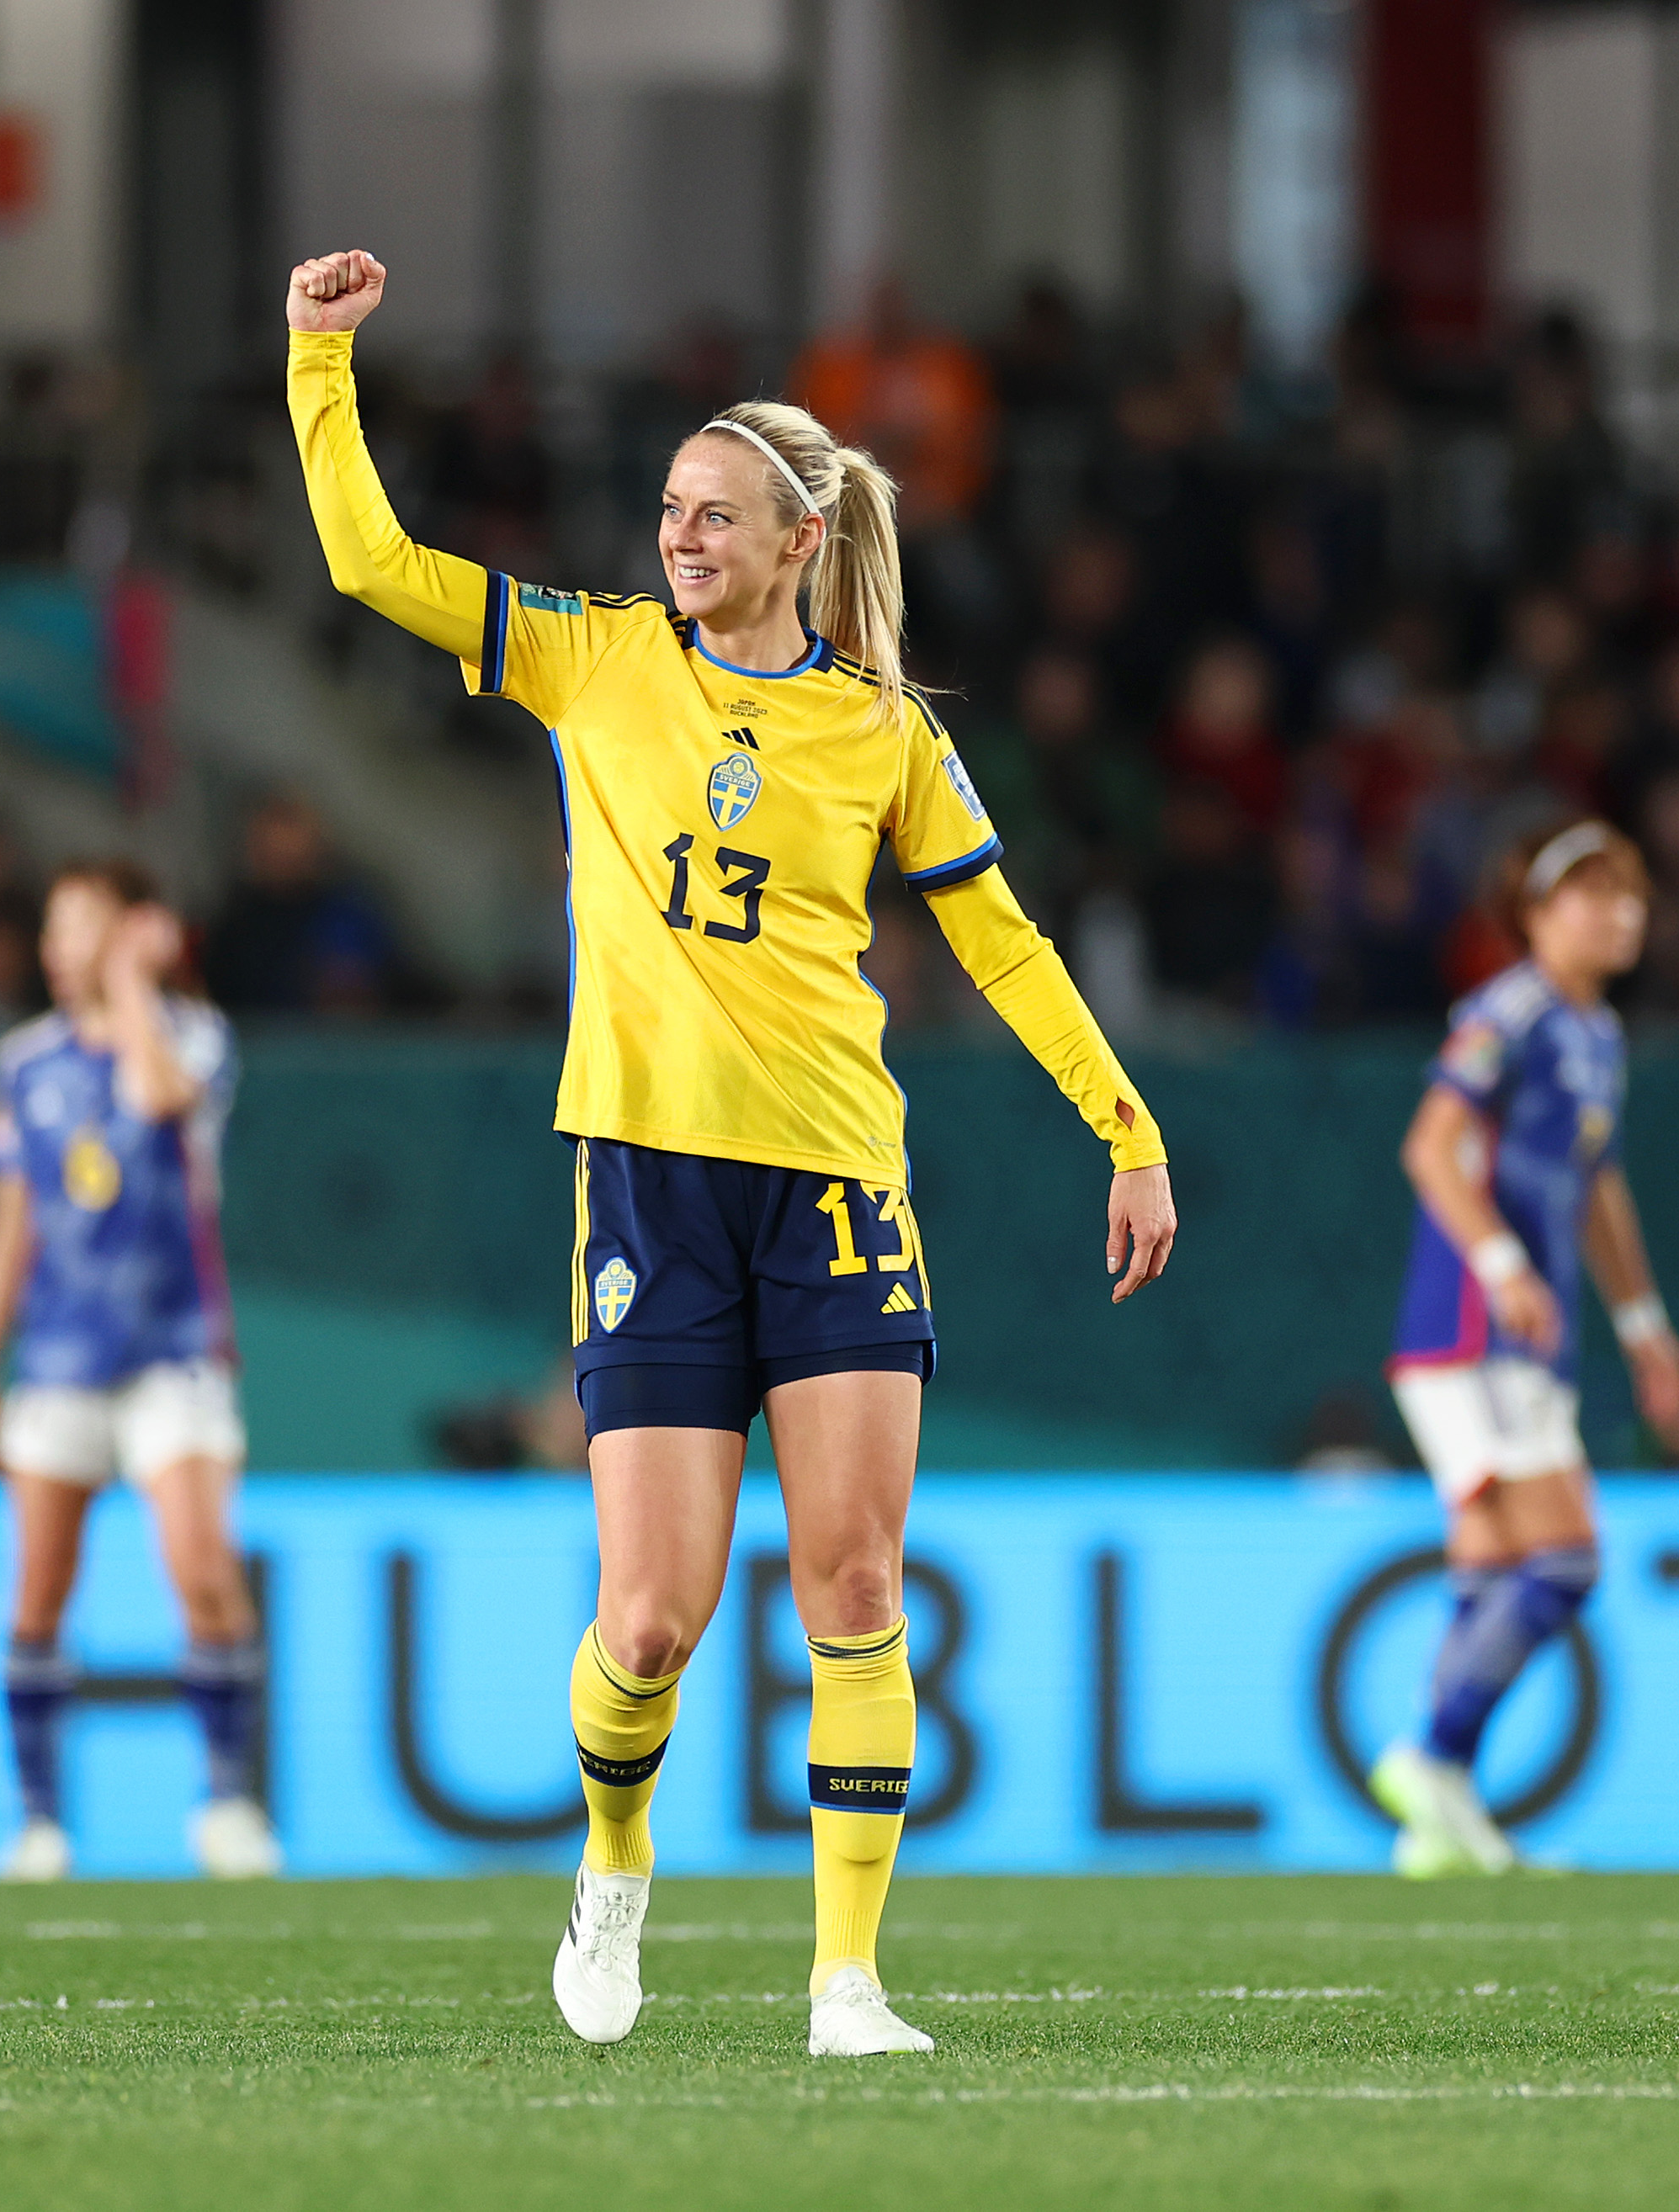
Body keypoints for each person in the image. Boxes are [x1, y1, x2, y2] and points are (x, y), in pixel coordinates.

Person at [284, 250, 1176, 2056]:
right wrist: (319, 364)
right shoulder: (590, 658)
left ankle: (844, 1980)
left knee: (849, 1588)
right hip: (648, 1181)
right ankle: (610, 1869)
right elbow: (369, 565)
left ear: (795, 544)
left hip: (838, 1182)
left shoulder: (882, 730)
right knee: (648, 1619)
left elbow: (997, 938)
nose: (677, 535)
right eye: (669, 508)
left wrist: (1125, 1129)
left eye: (712, 515)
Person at [0, 861, 274, 1885]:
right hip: (56, 1357)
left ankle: (226, 1803)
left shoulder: (190, 1033)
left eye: (82, 925)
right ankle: (38, 1820)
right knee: (38, 1595)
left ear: (137, 930)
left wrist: (135, 981)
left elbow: (155, 1094)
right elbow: (10, 1227)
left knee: (202, 1572)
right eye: (53, 928)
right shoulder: (20, 1063)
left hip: (172, 1351)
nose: (60, 947)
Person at [1376, 820, 1679, 1875]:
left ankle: (1440, 1815)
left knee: (1493, 1562)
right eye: (1594, 896)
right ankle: (1431, 1757)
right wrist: (1503, 1265)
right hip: (1474, 1318)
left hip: (1528, 1325)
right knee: (1563, 1557)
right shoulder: (1507, 1012)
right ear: (1538, 914)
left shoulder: (1598, 1036)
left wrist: (1641, 1325)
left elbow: (1598, 1191)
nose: (1620, 915)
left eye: (1630, 897)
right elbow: (1428, 1147)